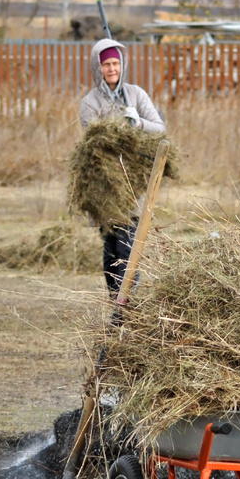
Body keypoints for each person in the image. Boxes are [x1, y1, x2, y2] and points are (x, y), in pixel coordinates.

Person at [79, 38, 165, 296]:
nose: (112, 68)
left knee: (128, 246)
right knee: (111, 248)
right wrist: (120, 123)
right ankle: (116, 301)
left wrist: (138, 124)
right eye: (106, 64)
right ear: (98, 67)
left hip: (133, 183)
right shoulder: (90, 102)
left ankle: (124, 309)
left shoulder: (136, 94)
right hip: (104, 184)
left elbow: (160, 128)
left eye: (116, 63)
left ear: (122, 64)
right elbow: (94, 141)